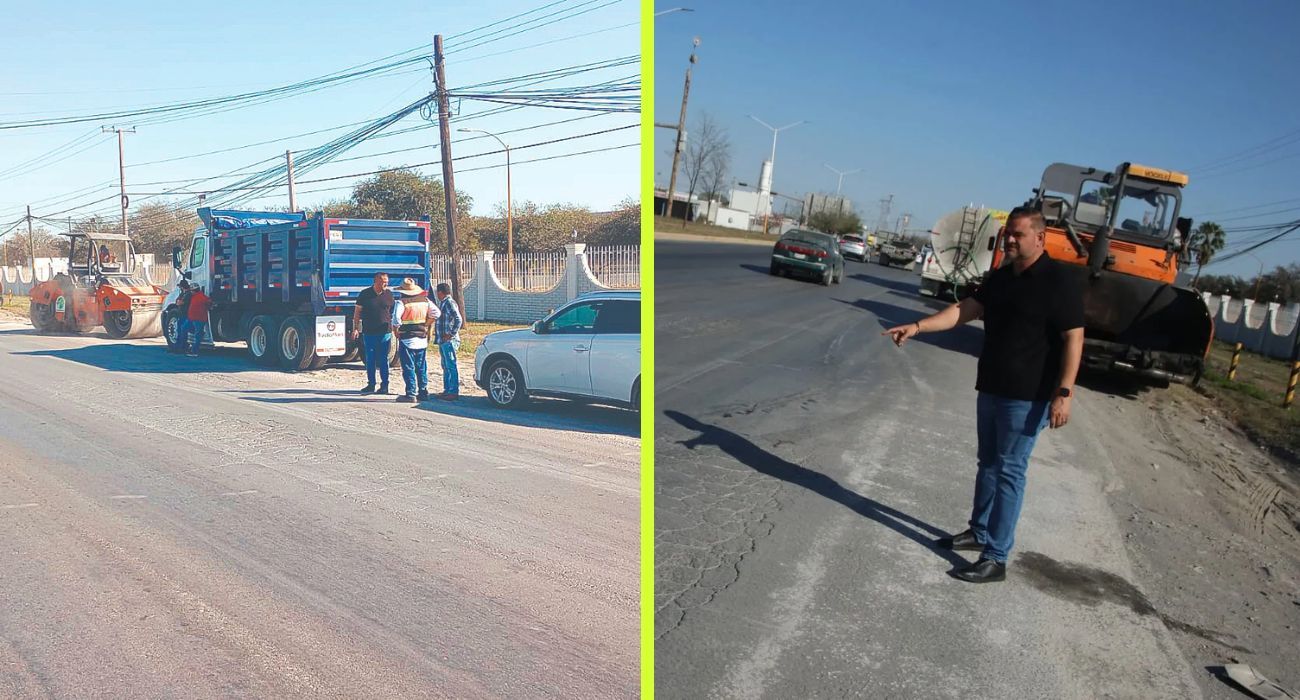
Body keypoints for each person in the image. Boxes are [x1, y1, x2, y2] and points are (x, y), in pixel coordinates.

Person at [883, 207, 1084, 584]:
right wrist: (918, 326)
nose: (1010, 239)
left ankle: (996, 557)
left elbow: (1074, 338)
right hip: (991, 387)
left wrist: (1064, 392)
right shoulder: (1002, 277)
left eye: (1018, 235)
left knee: (1010, 470)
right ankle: (979, 532)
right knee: (988, 463)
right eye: (1008, 233)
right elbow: (964, 311)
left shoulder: (1059, 280)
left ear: (1039, 238)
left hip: (1028, 396)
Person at [390, 278, 438, 403]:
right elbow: (436, 313)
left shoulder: (402, 303)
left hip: (407, 338)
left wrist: (396, 331)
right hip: (421, 338)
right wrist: (427, 324)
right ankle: (423, 391)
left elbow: (396, 319)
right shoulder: (425, 301)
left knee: (408, 367)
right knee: (421, 366)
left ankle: (410, 393)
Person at [352, 271, 395, 394]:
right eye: (383, 282)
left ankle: (385, 385)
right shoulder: (365, 294)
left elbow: (392, 310)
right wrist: (355, 328)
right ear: (376, 281)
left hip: (385, 332)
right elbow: (357, 312)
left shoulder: (389, 294)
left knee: (383, 359)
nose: (385, 284)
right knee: (370, 358)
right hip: (369, 331)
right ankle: (371, 384)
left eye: (387, 282)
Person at [433, 282, 463, 400]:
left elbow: (458, 319)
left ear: (440, 292)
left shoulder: (449, 303)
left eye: (437, 292)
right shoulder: (443, 303)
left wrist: (451, 334)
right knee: (445, 365)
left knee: (451, 365)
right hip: (442, 340)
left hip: (449, 340)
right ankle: (447, 389)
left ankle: (453, 391)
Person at [185, 284, 214, 357]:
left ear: (194, 291)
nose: (191, 292)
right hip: (193, 318)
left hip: (198, 319)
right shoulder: (196, 296)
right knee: (187, 329)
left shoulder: (202, 297)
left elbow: (209, 302)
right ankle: (200, 335)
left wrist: (209, 305)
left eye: (191, 290)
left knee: (197, 334)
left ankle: (195, 351)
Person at [172, 280, 193, 354]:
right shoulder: (182, 293)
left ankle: (183, 347)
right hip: (181, 314)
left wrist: (179, 302)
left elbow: (181, 302)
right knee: (179, 330)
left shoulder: (189, 294)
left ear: (182, 286)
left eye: (180, 286)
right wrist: (179, 302)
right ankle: (177, 347)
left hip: (186, 314)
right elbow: (177, 301)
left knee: (183, 331)